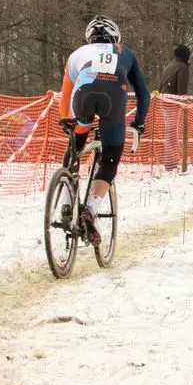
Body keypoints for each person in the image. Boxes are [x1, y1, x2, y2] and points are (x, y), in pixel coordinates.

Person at [59, 16, 150, 244]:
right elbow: (143, 93)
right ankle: (90, 209)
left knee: (75, 147)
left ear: (89, 38)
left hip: (83, 96)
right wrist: (139, 121)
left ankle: (65, 203)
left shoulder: (77, 54)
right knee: (110, 157)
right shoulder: (125, 52)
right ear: (115, 36)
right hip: (113, 97)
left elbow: (66, 93)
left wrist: (67, 121)